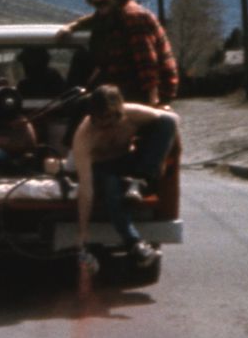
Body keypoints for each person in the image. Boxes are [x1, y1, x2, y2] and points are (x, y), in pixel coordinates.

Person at [71, 84, 178, 269]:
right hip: (100, 168)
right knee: (112, 185)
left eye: (111, 119)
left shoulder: (132, 114)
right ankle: (134, 243)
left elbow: (172, 120)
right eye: (100, 120)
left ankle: (139, 181)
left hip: (128, 162)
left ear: (120, 112)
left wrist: (161, 157)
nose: (105, 125)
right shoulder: (85, 135)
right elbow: (86, 188)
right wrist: (83, 232)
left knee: (166, 122)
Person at [80, 0, 179, 107]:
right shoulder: (110, 14)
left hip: (141, 95)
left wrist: (153, 104)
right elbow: (92, 19)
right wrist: (71, 27)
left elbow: (147, 63)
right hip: (123, 90)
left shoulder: (132, 17)